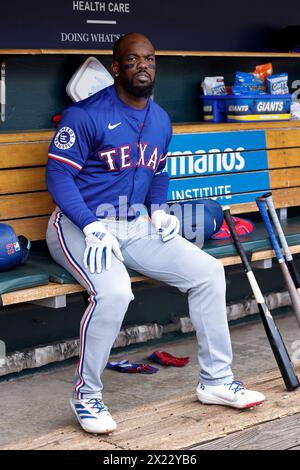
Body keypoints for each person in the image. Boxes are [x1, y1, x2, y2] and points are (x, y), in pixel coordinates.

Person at [46, 32, 265, 435]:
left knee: (208, 274)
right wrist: (91, 225)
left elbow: (159, 171)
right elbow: (58, 175)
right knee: (114, 292)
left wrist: (159, 210)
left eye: (148, 59)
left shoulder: (160, 119)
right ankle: (86, 395)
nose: (141, 66)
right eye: (131, 60)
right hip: (80, 226)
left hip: (135, 226)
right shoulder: (86, 114)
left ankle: (216, 381)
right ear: (116, 67)